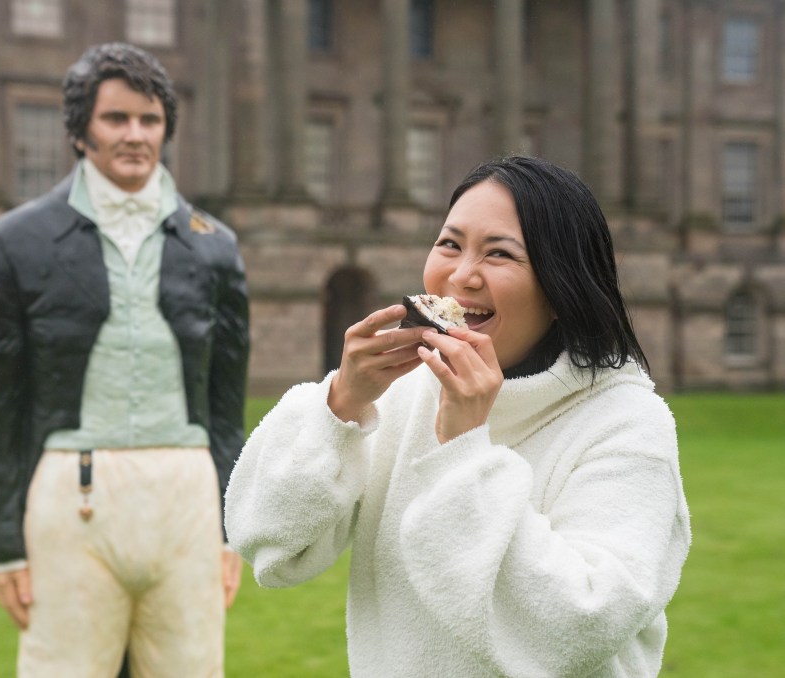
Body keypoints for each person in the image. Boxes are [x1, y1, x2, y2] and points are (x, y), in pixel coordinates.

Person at [225, 155, 691, 677]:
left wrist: (465, 448)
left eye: (499, 254)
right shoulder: (405, 394)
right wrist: (341, 406)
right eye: (450, 244)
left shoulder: (627, 422)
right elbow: (270, 541)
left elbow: (577, 626)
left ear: (562, 287)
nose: (461, 275)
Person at [0, 42, 249, 677]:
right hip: (71, 495)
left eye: (149, 120)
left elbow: (226, 408)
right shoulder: (14, 244)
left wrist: (231, 527)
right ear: (78, 130)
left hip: (188, 496)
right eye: (115, 119)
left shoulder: (216, 249)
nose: (135, 135)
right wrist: (3, 545)